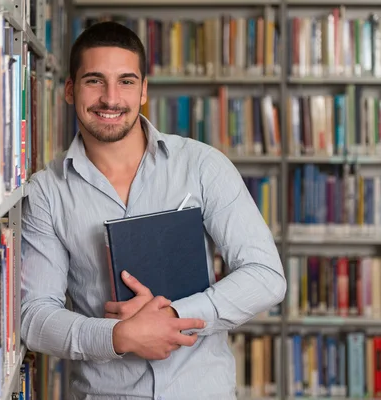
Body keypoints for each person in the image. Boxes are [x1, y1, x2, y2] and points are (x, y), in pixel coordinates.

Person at [20, 20, 286, 400]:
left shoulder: (201, 165)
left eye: (126, 81)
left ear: (143, 90)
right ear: (68, 90)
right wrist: (117, 336)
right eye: (94, 80)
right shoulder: (46, 192)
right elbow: (35, 316)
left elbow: (266, 276)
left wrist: (175, 318)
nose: (110, 98)